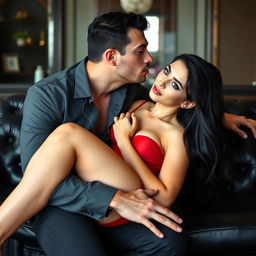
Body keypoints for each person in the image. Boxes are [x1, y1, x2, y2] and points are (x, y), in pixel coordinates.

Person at [1, 11, 256, 256]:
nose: (150, 59)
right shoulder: (47, 96)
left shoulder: (132, 93)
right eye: (140, 51)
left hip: (126, 193)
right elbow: (34, 178)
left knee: (171, 241)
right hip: (62, 203)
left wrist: (219, 116)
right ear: (112, 57)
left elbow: (176, 105)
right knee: (67, 134)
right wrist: (113, 198)